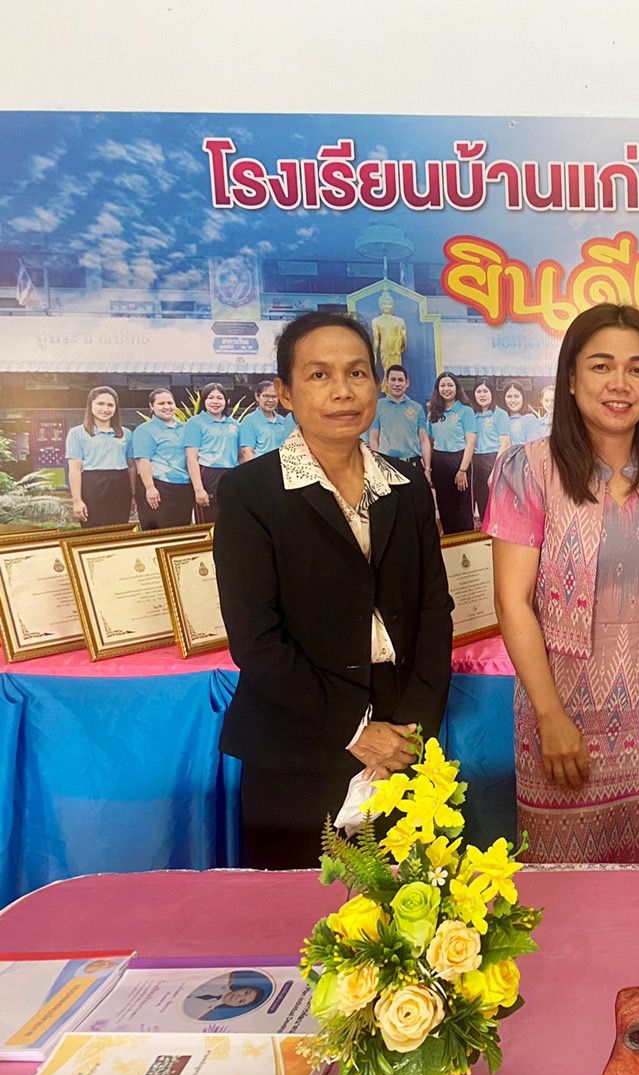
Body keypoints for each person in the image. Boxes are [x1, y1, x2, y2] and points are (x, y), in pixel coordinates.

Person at [214, 311, 453, 870]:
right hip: (299, 740)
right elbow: (256, 640)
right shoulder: (251, 492)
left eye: (357, 373)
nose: (343, 391)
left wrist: (411, 731)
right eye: (319, 375)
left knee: (409, 907)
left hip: (403, 738)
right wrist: (355, 731)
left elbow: (433, 611)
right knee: (299, 911)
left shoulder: (406, 487)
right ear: (285, 392)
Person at [488, 303, 639, 864]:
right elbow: (512, 602)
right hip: (560, 710)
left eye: (638, 369)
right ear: (570, 378)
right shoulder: (529, 470)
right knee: (562, 887)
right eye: (601, 366)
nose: (620, 383)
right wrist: (549, 716)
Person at [65, 386, 133, 527]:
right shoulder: (77, 433)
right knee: (94, 531)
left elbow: (132, 467)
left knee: (119, 530)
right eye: (100, 404)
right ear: (91, 405)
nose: (105, 409)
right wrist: (77, 500)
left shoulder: (126, 434)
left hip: (121, 485)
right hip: (92, 486)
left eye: (110, 405)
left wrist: (133, 495)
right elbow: (75, 470)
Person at [131, 388, 195, 530]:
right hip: (158, 487)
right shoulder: (145, 430)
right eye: (161, 403)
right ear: (151, 406)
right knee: (159, 533)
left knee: (182, 531)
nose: (166, 407)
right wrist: (150, 488)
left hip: (184, 487)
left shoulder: (185, 428)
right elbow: (143, 462)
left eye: (170, 403)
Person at [184, 383, 240, 525]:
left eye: (219, 398)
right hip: (207, 474)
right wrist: (198, 489)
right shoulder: (195, 423)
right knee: (208, 522)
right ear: (204, 401)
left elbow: (241, 454)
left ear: (226, 401)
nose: (215, 402)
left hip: (231, 474)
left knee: (231, 520)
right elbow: (191, 457)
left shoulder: (234, 424)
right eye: (210, 398)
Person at [427, 373, 476, 534]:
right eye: (443, 385)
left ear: (456, 388)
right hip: (439, 461)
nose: (446, 389)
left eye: (450, 385)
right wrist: (428, 467)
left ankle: (467, 544)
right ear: (437, 389)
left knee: (463, 510)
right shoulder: (433, 412)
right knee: (444, 507)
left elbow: (471, 442)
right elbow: (429, 441)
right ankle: (450, 543)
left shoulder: (466, 411)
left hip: (460, 460)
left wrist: (462, 470)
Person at [368, 364, 430, 465]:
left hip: (412, 464)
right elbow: (373, 439)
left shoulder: (417, 408)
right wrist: (378, 464)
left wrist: (427, 468)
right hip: (387, 463)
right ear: (386, 382)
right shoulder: (378, 406)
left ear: (407, 383)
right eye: (393, 379)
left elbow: (424, 439)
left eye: (400, 380)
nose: (397, 384)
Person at [470, 380, 512, 525]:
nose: (482, 395)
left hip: (494, 459)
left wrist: (495, 470)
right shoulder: (472, 415)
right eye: (479, 391)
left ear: (492, 393)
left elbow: (505, 443)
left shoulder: (500, 414)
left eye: (485, 391)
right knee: (482, 503)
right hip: (476, 462)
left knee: (497, 504)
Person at [238, 379, 296, 461]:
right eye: (266, 396)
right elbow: (247, 452)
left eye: (274, 396)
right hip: (260, 466)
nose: (270, 400)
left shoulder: (283, 421)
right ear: (257, 396)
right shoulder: (249, 421)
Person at [371, 292, 407, 374]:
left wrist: (401, 346)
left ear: (392, 305)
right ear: (380, 305)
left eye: (389, 304)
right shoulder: (376, 321)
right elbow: (376, 340)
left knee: (397, 370)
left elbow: (404, 340)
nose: (386, 306)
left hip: (396, 350)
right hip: (385, 350)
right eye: (384, 304)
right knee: (387, 371)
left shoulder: (400, 321)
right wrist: (374, 355)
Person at [503, 380, 536, 445]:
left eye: (516, 396)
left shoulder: (530, 419)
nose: (513, 400)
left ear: (523, 398)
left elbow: (533, 446)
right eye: (509, 396)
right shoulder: (501, 419)